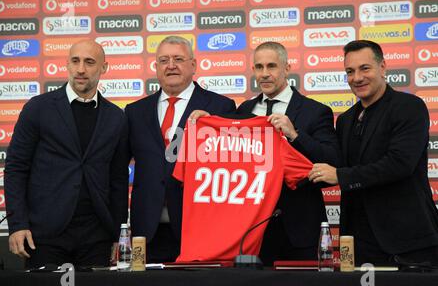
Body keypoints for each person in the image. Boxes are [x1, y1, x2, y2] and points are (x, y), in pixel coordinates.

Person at [191, 41, 340, 265]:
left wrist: (294, 135)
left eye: (272, 66)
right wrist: (208, 122)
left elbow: (331, 160)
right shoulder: (243, 111)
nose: (265, 74)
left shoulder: (316, 111)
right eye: (259, 67)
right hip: (251, 229)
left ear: (287, 68)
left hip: (299, 227)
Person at [309, 40, 438, 266]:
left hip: (407, 241)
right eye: (350, 71)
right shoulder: (346, 119)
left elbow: (399, 164)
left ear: (383, 67)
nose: (357, 77)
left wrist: (340, 176)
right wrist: (296, 137)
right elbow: (336, 163)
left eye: (364, 68)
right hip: (358, 242)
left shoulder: (409, 106)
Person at [5, 39, 129, 269]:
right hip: (44, 234)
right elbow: (16, 168)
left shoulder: (116, 118)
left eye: (89, 62)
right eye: (75, 61)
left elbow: (118, 180)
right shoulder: (38, 108)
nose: (81, 69)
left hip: (96, 237)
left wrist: (118, 235)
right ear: (67, 64)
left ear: (104, 68)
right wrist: (18, 224)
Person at [125, 36, 235, 263]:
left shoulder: (220, 107)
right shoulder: (135, 111)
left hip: (199, 227)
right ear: (156, 67)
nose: (171, 65)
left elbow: (232, 167)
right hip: (146, 231)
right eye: (163, 60)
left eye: (178, 59)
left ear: (193, 65)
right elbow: (117, 171)